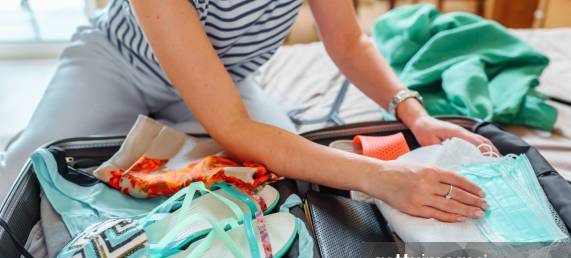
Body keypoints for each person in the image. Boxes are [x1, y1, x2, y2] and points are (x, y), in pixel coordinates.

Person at [0, 0, 491, 222]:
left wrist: (415, 114)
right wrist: (382, 178)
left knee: (287, 184)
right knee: (20, 173)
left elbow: (348, 40)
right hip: (118, 62)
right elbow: (232, 127)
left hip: (221, 77)